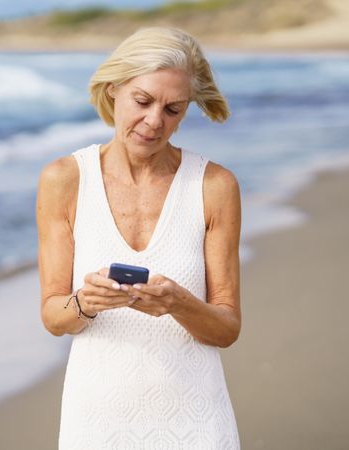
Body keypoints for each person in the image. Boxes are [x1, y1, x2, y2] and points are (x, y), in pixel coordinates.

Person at [36, 27, 241, 448]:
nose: (154, 121)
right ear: (114, 89)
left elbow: (226, 329)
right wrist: (84, 302)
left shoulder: (214, 185)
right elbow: (54, 317)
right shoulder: (65, 180)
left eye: (173, 109)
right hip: (96, 421)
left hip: (197, 420)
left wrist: (178, 303)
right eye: (143, 101)